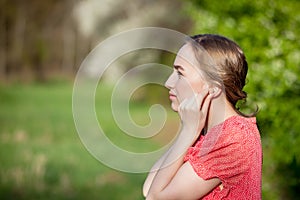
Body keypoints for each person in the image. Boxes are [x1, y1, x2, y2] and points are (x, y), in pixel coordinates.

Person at [143, 34, 262, 199]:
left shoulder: (234, 139)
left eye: (180, 73)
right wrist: (189, 131)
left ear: (213, 88)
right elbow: (149, 187)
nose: (168, 82)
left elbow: (154, 198)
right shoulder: (207, 133)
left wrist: (188, 132)